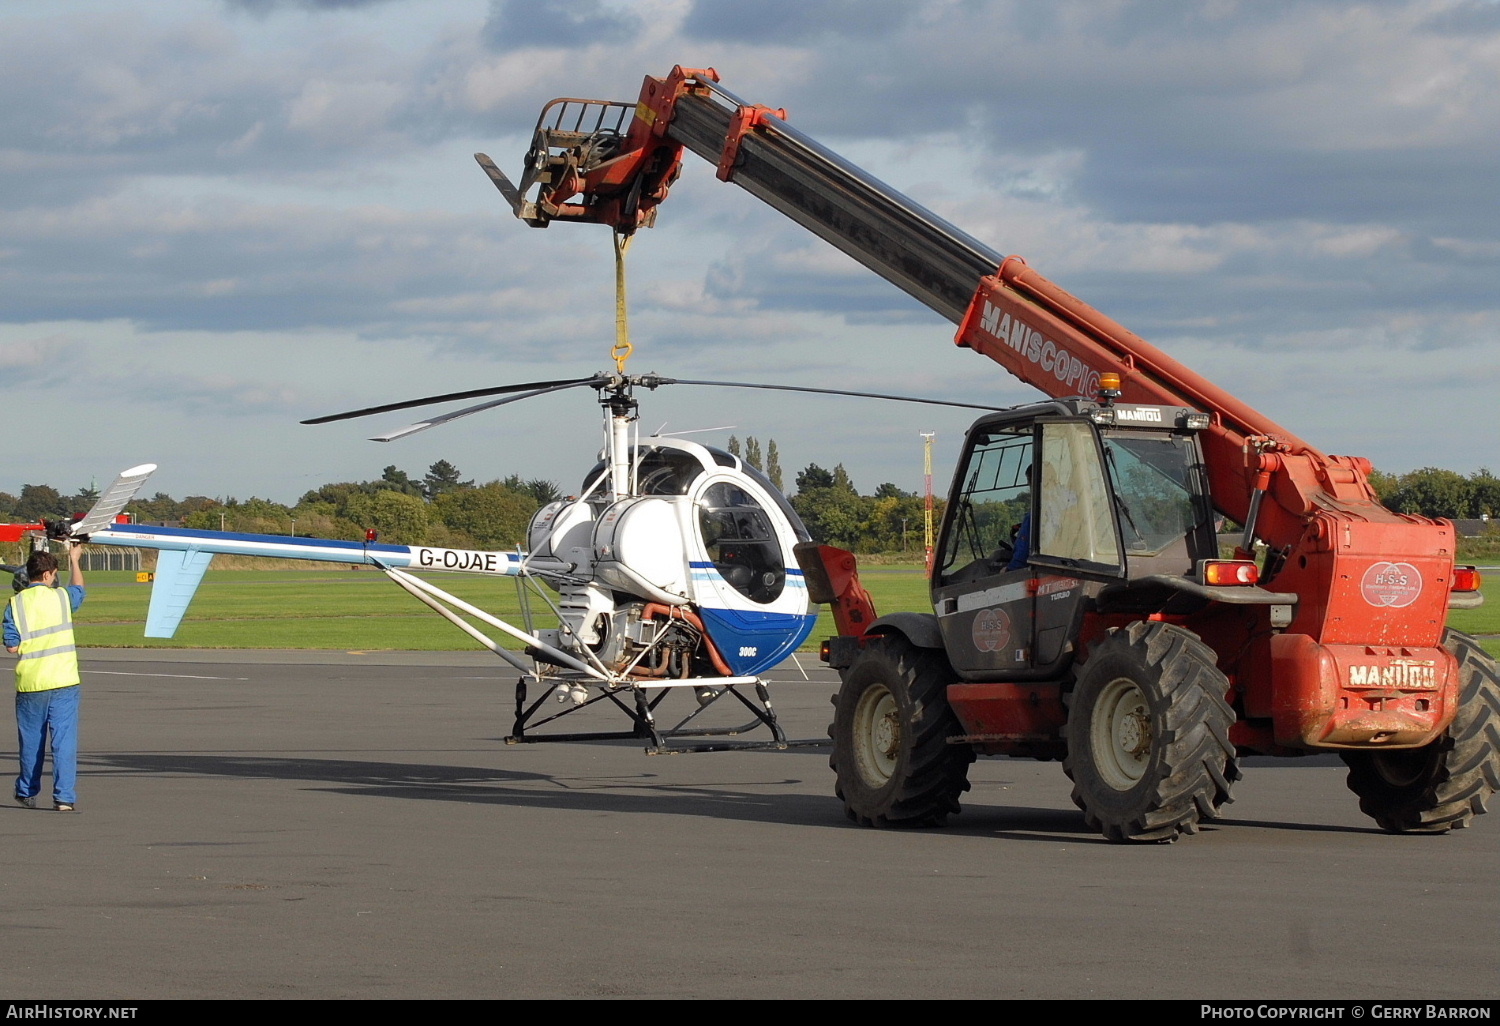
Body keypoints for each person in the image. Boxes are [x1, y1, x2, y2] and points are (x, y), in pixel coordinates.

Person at [6, 543, 85, 812]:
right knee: (64, 741)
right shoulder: (62, 598)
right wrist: (74, 560)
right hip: (64, 680)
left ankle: (27, 791)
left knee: (31, 742)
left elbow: (12, 646)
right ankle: (64, 798)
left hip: (31, 684)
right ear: (50, 575)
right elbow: (79, 590)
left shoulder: (15, 604)